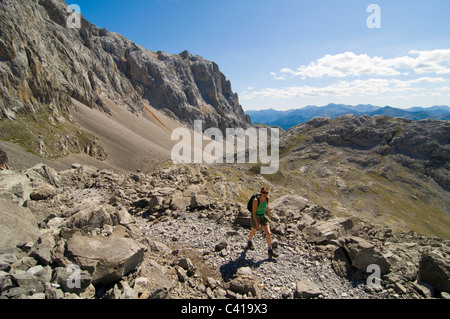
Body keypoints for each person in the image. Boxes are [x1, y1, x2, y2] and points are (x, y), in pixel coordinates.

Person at [247, 187, 278, 259]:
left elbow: (267, 208)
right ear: (260, 193)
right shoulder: (256, 200)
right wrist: (257, 223)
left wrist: (269, 216)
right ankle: (249, 241)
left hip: (263, 216)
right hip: (256, 217)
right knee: (253, 231)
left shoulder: (267, 199)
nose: (265, 194)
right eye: (263, 192)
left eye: (266, 193)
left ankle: (270, 250)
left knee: (268, 233)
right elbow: (254, 213)